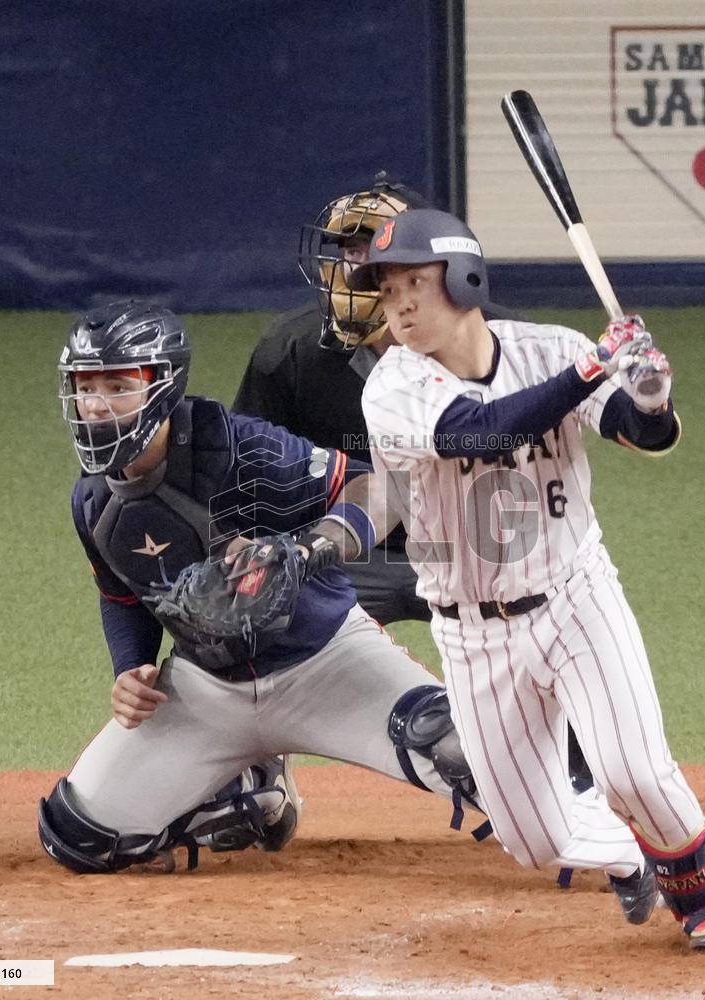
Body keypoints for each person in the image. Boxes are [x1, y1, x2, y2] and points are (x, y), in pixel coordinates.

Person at [350, 208, 705, 952]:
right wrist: (592, 368)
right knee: (533, 840)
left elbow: (643, 435)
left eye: (416, 281)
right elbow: (482, 430)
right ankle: (633, 854)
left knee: (630, 767)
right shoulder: (392, 385)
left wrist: (649, 392)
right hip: (471, 633)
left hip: (574, 597)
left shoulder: (550, 349)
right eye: (387, 289)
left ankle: (704, 896)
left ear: (465, 278)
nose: (400, 303)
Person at [37, 299, 486, 875]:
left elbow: (380, 490)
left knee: (456, 752)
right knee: (80, 835)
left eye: (118, 386)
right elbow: (122, 595)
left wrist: (307, 549)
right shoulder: (94, 503)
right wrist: (130, 666)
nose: (96, 406)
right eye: (84, 388)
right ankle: (247, 790)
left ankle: (612, 816)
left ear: (163, 387)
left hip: (326, 661)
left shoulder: (241, 449)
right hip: (207, 687)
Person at [235, 176, 595, 805]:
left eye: (370, 246)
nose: (355, 266)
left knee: (542, 630)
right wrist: (264, 555)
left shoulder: (497, 342)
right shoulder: (287, 352)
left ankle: (576, 779)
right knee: (256, 609)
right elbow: (253, 477)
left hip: (475, 553)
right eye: (344, 250)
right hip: (351, 553)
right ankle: (254, 767)